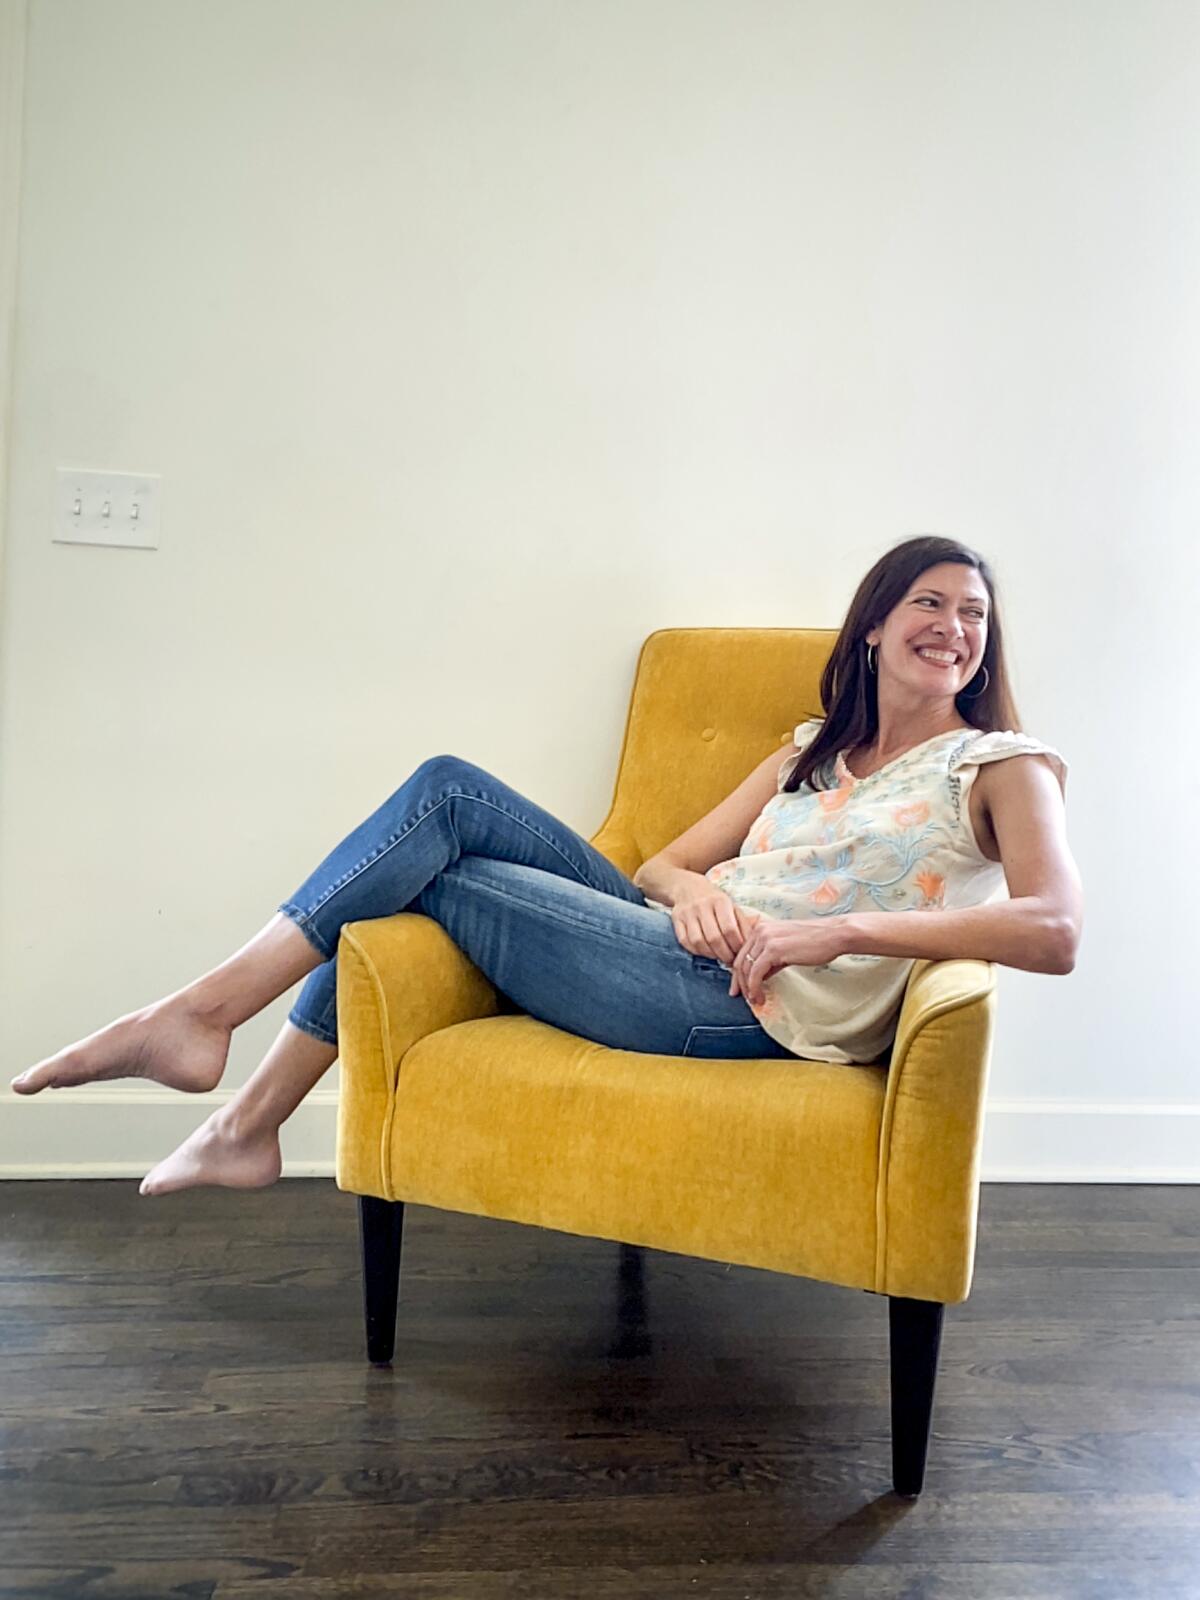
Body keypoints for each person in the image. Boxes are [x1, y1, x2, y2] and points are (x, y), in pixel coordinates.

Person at [10, 535, 1083, 1196]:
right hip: (672, 938)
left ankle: (222, 1064)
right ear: (874, 629)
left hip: (755, 1001)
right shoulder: (805, 752)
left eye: (975, 614)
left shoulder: (1000, 766)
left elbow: (1054, 929)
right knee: (447, 788)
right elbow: (664, 863)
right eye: (930, 603)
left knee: (431, 868)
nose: (954, 627)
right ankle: (233, 1101)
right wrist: (700, 889)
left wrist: (841, 930)